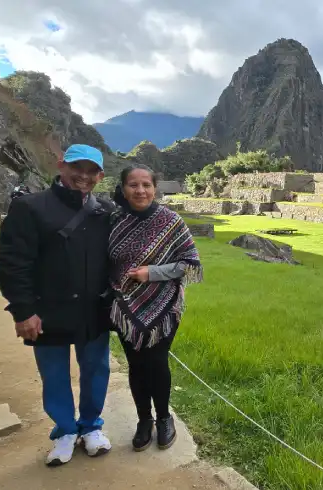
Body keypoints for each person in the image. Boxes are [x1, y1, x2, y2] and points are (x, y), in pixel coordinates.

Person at [0, 144, 115, 467]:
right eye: (78, 167)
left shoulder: (105, 212)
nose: (84, 176)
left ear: (100, 176)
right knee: (54, 373)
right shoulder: (30, 208)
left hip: (93, 311)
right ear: (61, 165)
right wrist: (23, 311)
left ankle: (91, 426)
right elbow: (10, 264)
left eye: (92, 171)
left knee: (96, 370)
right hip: (46, 312)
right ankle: (64, 430)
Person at [108, 164, 203, 451]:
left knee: (157, 363)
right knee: (136, 365)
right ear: (123, 188)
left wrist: (153, 272)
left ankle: (164, 418)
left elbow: (190, 264)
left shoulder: (171, 222)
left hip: (164, 305)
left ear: (155, 188)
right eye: (133, 185)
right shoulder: (114, 221)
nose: (140, 190)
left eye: (146, 185)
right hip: (124, 307)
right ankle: (143, 420)